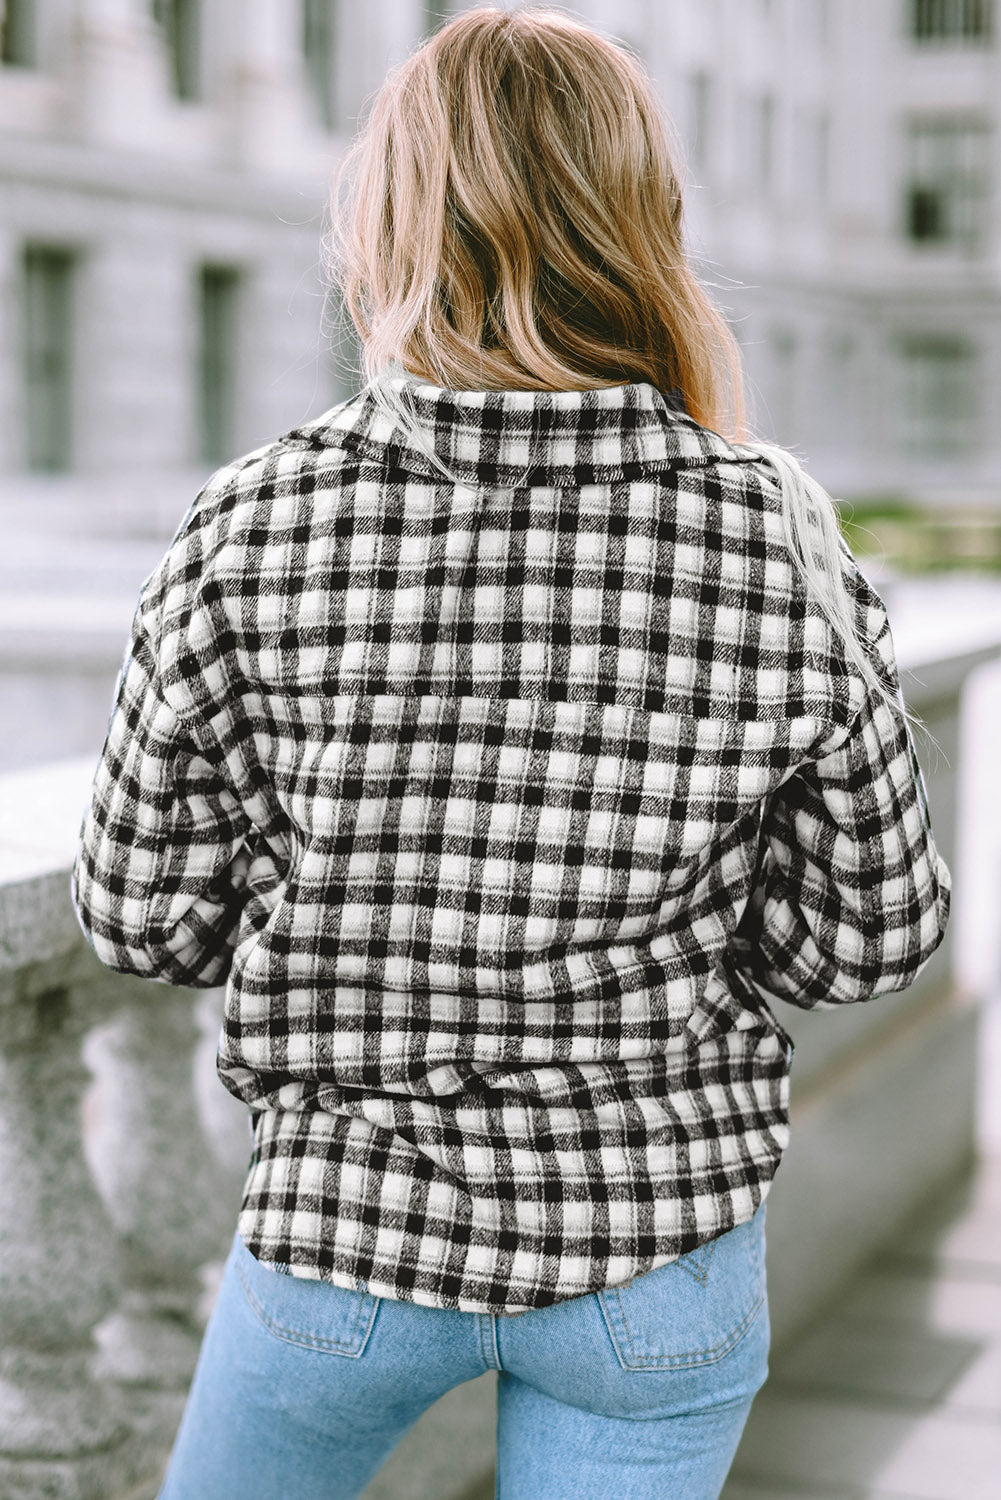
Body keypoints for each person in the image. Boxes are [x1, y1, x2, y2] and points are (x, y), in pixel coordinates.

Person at [71, 9, 951, 1499]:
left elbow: (141, 917)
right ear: (638, 224)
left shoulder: (255, 521)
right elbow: (864, 948)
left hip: (338, 1243)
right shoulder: (769, 535)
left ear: (390, 217)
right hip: (653, 1257)